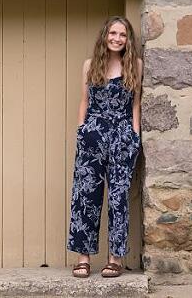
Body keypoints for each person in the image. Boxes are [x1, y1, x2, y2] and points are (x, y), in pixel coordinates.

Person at [67, 16, 142, 278]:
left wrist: (135, 136)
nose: (117, 38)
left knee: (118, 198)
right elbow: (84, 101)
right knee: (86, 196)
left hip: (122, 136)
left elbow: (135, 105)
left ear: (128, 39)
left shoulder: (135, 65)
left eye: (122, 34)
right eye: (113, 33)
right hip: (92, 136)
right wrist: (81, 131)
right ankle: (83, 258)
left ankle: (115, 259)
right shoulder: (90, 65)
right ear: (105, 35)